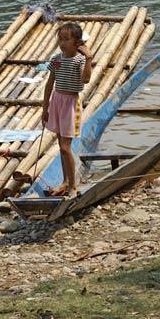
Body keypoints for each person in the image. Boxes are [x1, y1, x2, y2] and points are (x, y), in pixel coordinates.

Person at [42, 22, 93, 197]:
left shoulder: (79, 60)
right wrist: (45, 107)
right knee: (60, 145)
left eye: (66, 39)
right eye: (60, 39)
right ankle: (65, 182)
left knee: (65, 147)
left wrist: (89, 59)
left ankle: (72, 186)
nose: (62, 43)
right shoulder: (56, 59)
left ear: (77, 42)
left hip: (71, 103)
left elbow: (86, 80)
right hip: (57, 100)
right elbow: (50, 84)